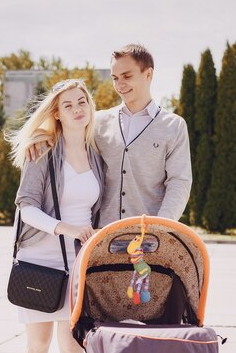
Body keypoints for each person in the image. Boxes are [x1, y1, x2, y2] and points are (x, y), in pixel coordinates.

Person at [8, 80, 103, 353]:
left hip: (79, 262)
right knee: (39, 344)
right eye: (69, 104)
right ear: (57, 113)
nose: (78, 108)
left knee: (73, 348)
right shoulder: (43, 150)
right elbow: (25, 205)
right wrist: (60, 227)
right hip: (40, 262)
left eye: (83, 102)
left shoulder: (97, 153)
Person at [28, 44, 192, 224]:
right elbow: (64, 133)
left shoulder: (174, 126)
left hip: (148, 238)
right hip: (103, 236)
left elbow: (179, 183)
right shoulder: (97, 122)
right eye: (115, 78)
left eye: (127, 76)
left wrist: (159, 227)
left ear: (148, 74)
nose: (120, 85)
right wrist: (39, 138)